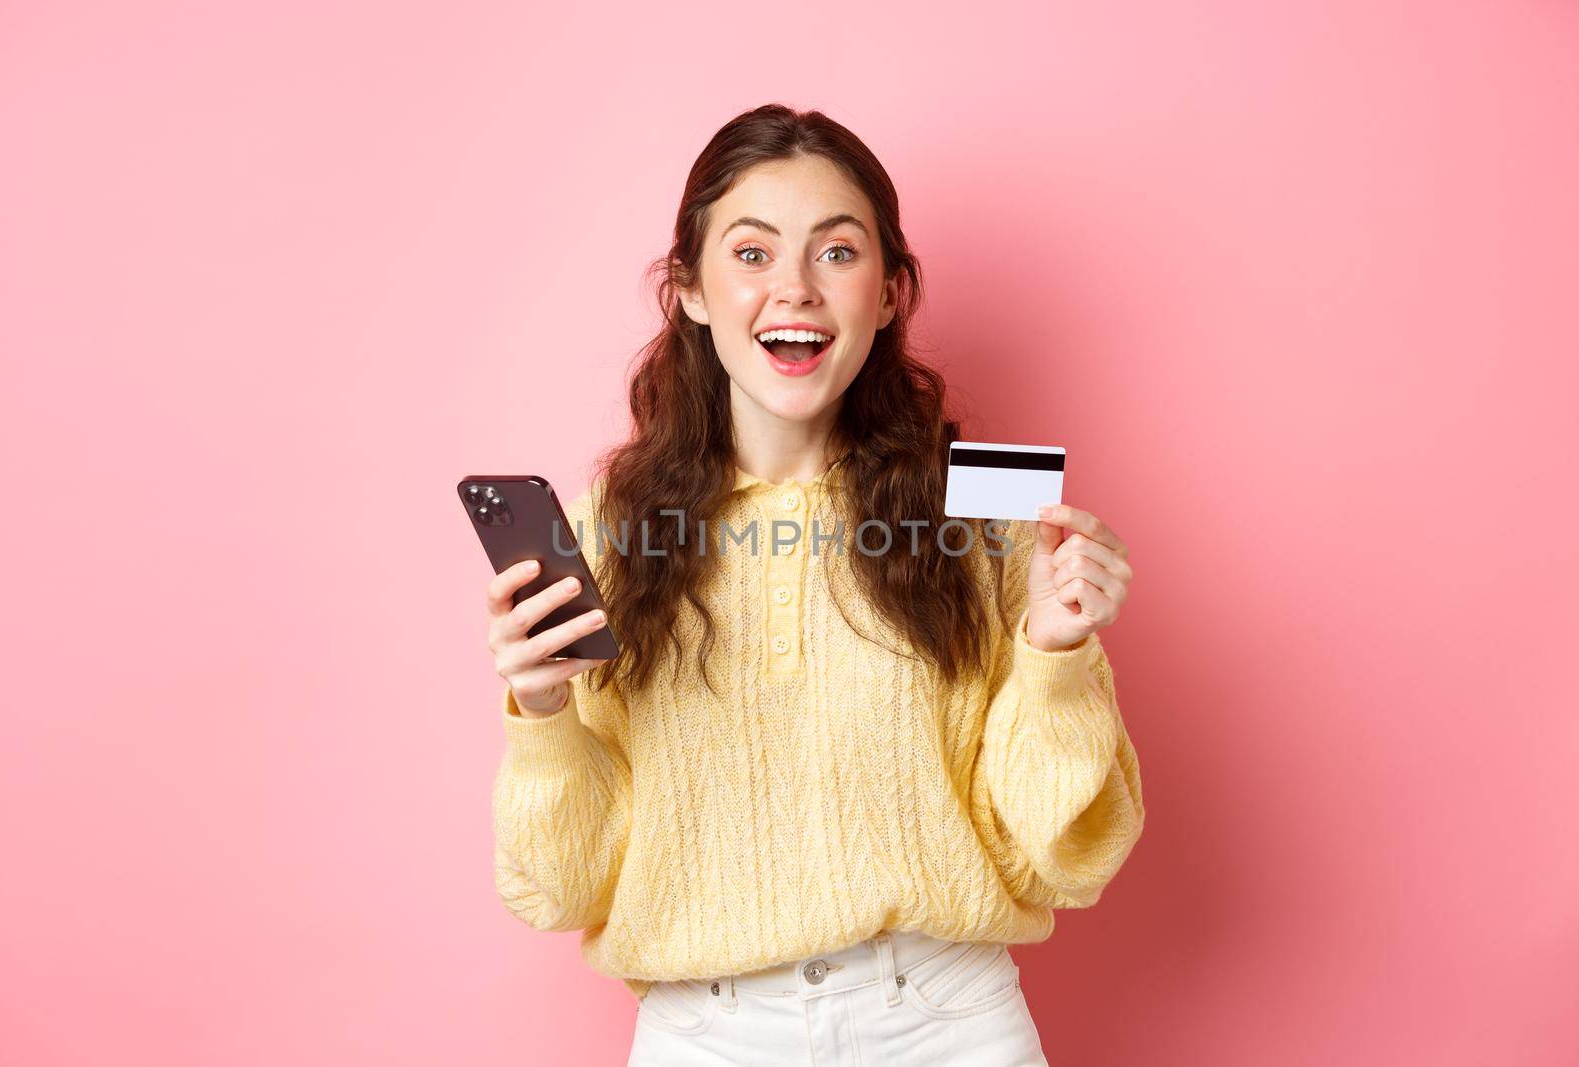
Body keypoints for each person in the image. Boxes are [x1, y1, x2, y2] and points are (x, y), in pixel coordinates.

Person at [485, 103, 1145, 1066]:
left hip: (945, 1021)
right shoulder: (605, 536)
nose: (794, 287)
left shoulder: (991, 510)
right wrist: (541, 714)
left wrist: (1053, 655)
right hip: (703, 1033)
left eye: (837, 252)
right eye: (751, 254)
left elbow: (1066, 852)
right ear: (691, 290)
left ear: (887, 293)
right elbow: (560, 886)